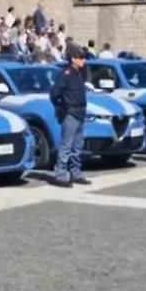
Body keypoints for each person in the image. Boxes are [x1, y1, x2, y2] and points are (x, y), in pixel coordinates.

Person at [49, 45, 91, 187]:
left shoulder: (79, 73)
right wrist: (62, 108)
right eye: (80, 58)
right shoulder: (66, 74)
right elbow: (54, 94)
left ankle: (75, 173)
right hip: (71, 113)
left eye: (84, 58)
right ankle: (61, 174)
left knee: (77, 147)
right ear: (73, 59)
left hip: (81, 113)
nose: (83, 61)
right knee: (66, 146)